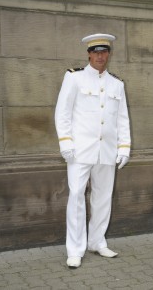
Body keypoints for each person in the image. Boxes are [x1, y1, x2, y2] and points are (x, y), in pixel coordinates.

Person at [55, 33, 131, 269]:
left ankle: (97, 241)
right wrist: (65, 142)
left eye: (104, 52)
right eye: (96, 52)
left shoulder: (116, 84)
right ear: (88, 54)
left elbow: (122, 119)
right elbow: (62, 112)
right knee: (77, 196)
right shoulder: (74, 78)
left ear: (109, 54)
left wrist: (124, 147)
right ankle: (75, 249)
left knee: (102, 198)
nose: (100, 56)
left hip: (106, 151)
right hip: (79, 150)